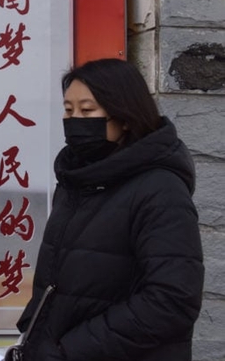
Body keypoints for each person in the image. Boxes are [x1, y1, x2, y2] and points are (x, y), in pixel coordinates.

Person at [12, 58, 204, 360]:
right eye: (68, 110)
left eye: (87, 111)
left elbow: (172, 301)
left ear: (125, 116)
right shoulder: (76, 182)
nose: (75, 120)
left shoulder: (160, 190)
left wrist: (69, 352)